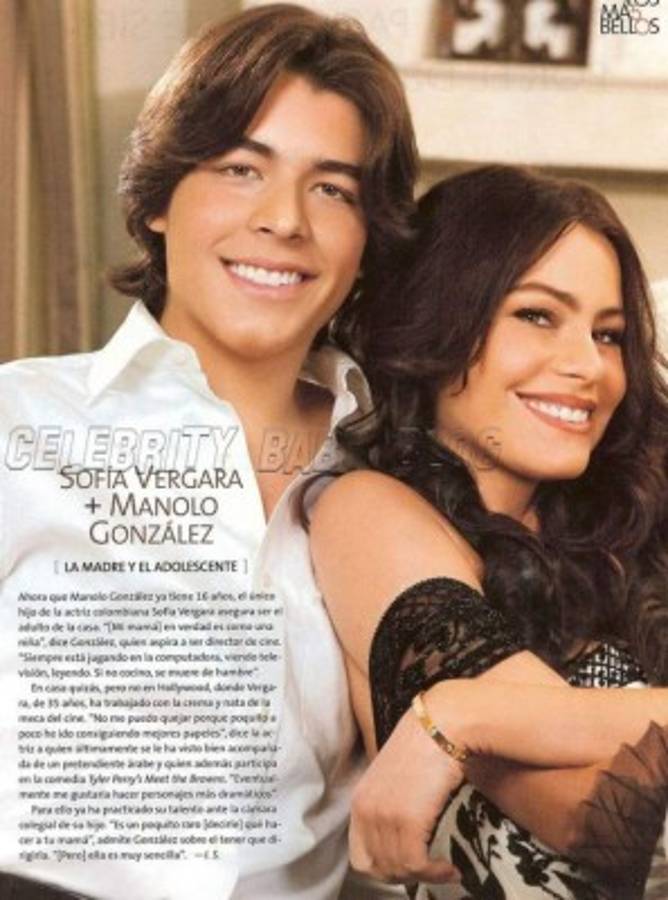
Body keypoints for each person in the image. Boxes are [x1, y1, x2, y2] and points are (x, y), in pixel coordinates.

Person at [0, 5, 419, 899]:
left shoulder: (394, 482)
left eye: (333, 190)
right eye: (239, 169)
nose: (284, 220)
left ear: (367, 241)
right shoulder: (19, 422)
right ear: (158, 199)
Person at [310, 165, 668, 898]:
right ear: (438, 318)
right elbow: (607, 810)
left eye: (609, 335)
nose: (589, 367)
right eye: (537, 315)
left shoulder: (632, 531)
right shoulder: (368, 514)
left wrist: (464, 711)